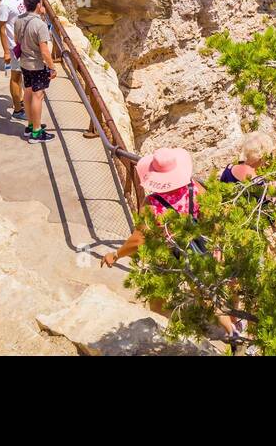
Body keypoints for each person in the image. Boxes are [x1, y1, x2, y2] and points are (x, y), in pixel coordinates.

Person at [101, 147, 242, 344]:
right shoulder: (194, 189)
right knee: (205, 291)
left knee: (157, 295)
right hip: (196, 248)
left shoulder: (153, 204)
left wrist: (115, 255)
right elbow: (213, 218)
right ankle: (232, 331)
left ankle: (162, 333)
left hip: (167, 254)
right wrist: (218, 245)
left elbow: (139, 238)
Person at [0, 0, 57, 141]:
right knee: (38, 96)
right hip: (37, 65)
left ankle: (30, 126)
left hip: (24, 63)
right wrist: (52, 67)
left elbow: (17, 41)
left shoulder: (19, 20)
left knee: (29, 94)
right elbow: (44, 51)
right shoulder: (39, 25)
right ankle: (36, 133)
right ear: (39, 4)